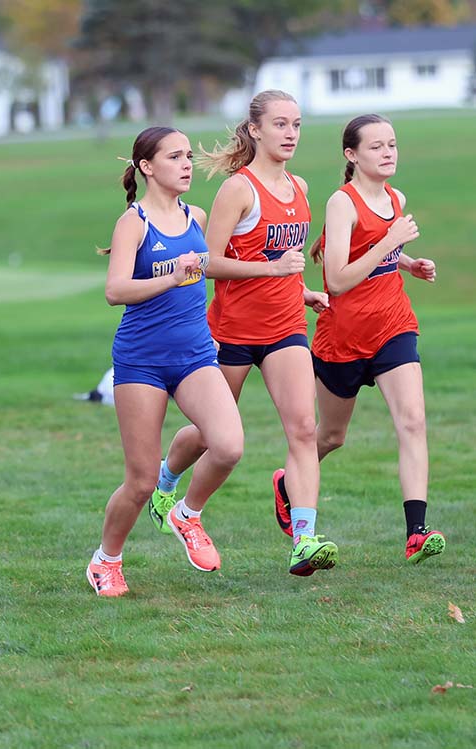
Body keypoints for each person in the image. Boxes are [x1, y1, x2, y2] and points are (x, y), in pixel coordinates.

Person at [146, 90, 338, 577]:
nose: (290, 133)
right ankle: (166, 481)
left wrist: (302, 292)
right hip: (231, 331)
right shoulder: (239, 189)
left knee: (302, 429)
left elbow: (287, 266)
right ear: (255, 130)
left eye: (296, 124)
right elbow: (207, 264)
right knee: (214, 436)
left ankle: (304, 538)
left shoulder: (300, 187)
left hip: (286, 328)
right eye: (280, 124)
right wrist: (272, 273)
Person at [86, 127, 244, 598]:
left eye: (188, 156)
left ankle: (185, 512)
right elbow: (115, 291)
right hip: (142, 362)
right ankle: (105, 561)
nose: (187, 164)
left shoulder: (195, 215)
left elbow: (221, 268)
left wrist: (294, 287)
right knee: (137, 482)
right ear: (147, 167)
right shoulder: (133, 224)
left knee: (229, 446)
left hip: (195, 354)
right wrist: (171, 277)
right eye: (175, 157)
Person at [279, 114, 443, 564]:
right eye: (376, 147)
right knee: (329, 437)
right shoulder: (341, 202)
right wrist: (389, 240)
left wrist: (406, 262)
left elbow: (378, 251)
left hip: (393, 325)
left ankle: (416, 532)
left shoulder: (396, 197)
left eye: (392, 144)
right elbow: (337, 278)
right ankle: (286, 483)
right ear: (352, 155)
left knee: (412, 421)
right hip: (343, 337)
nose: (388, 153)